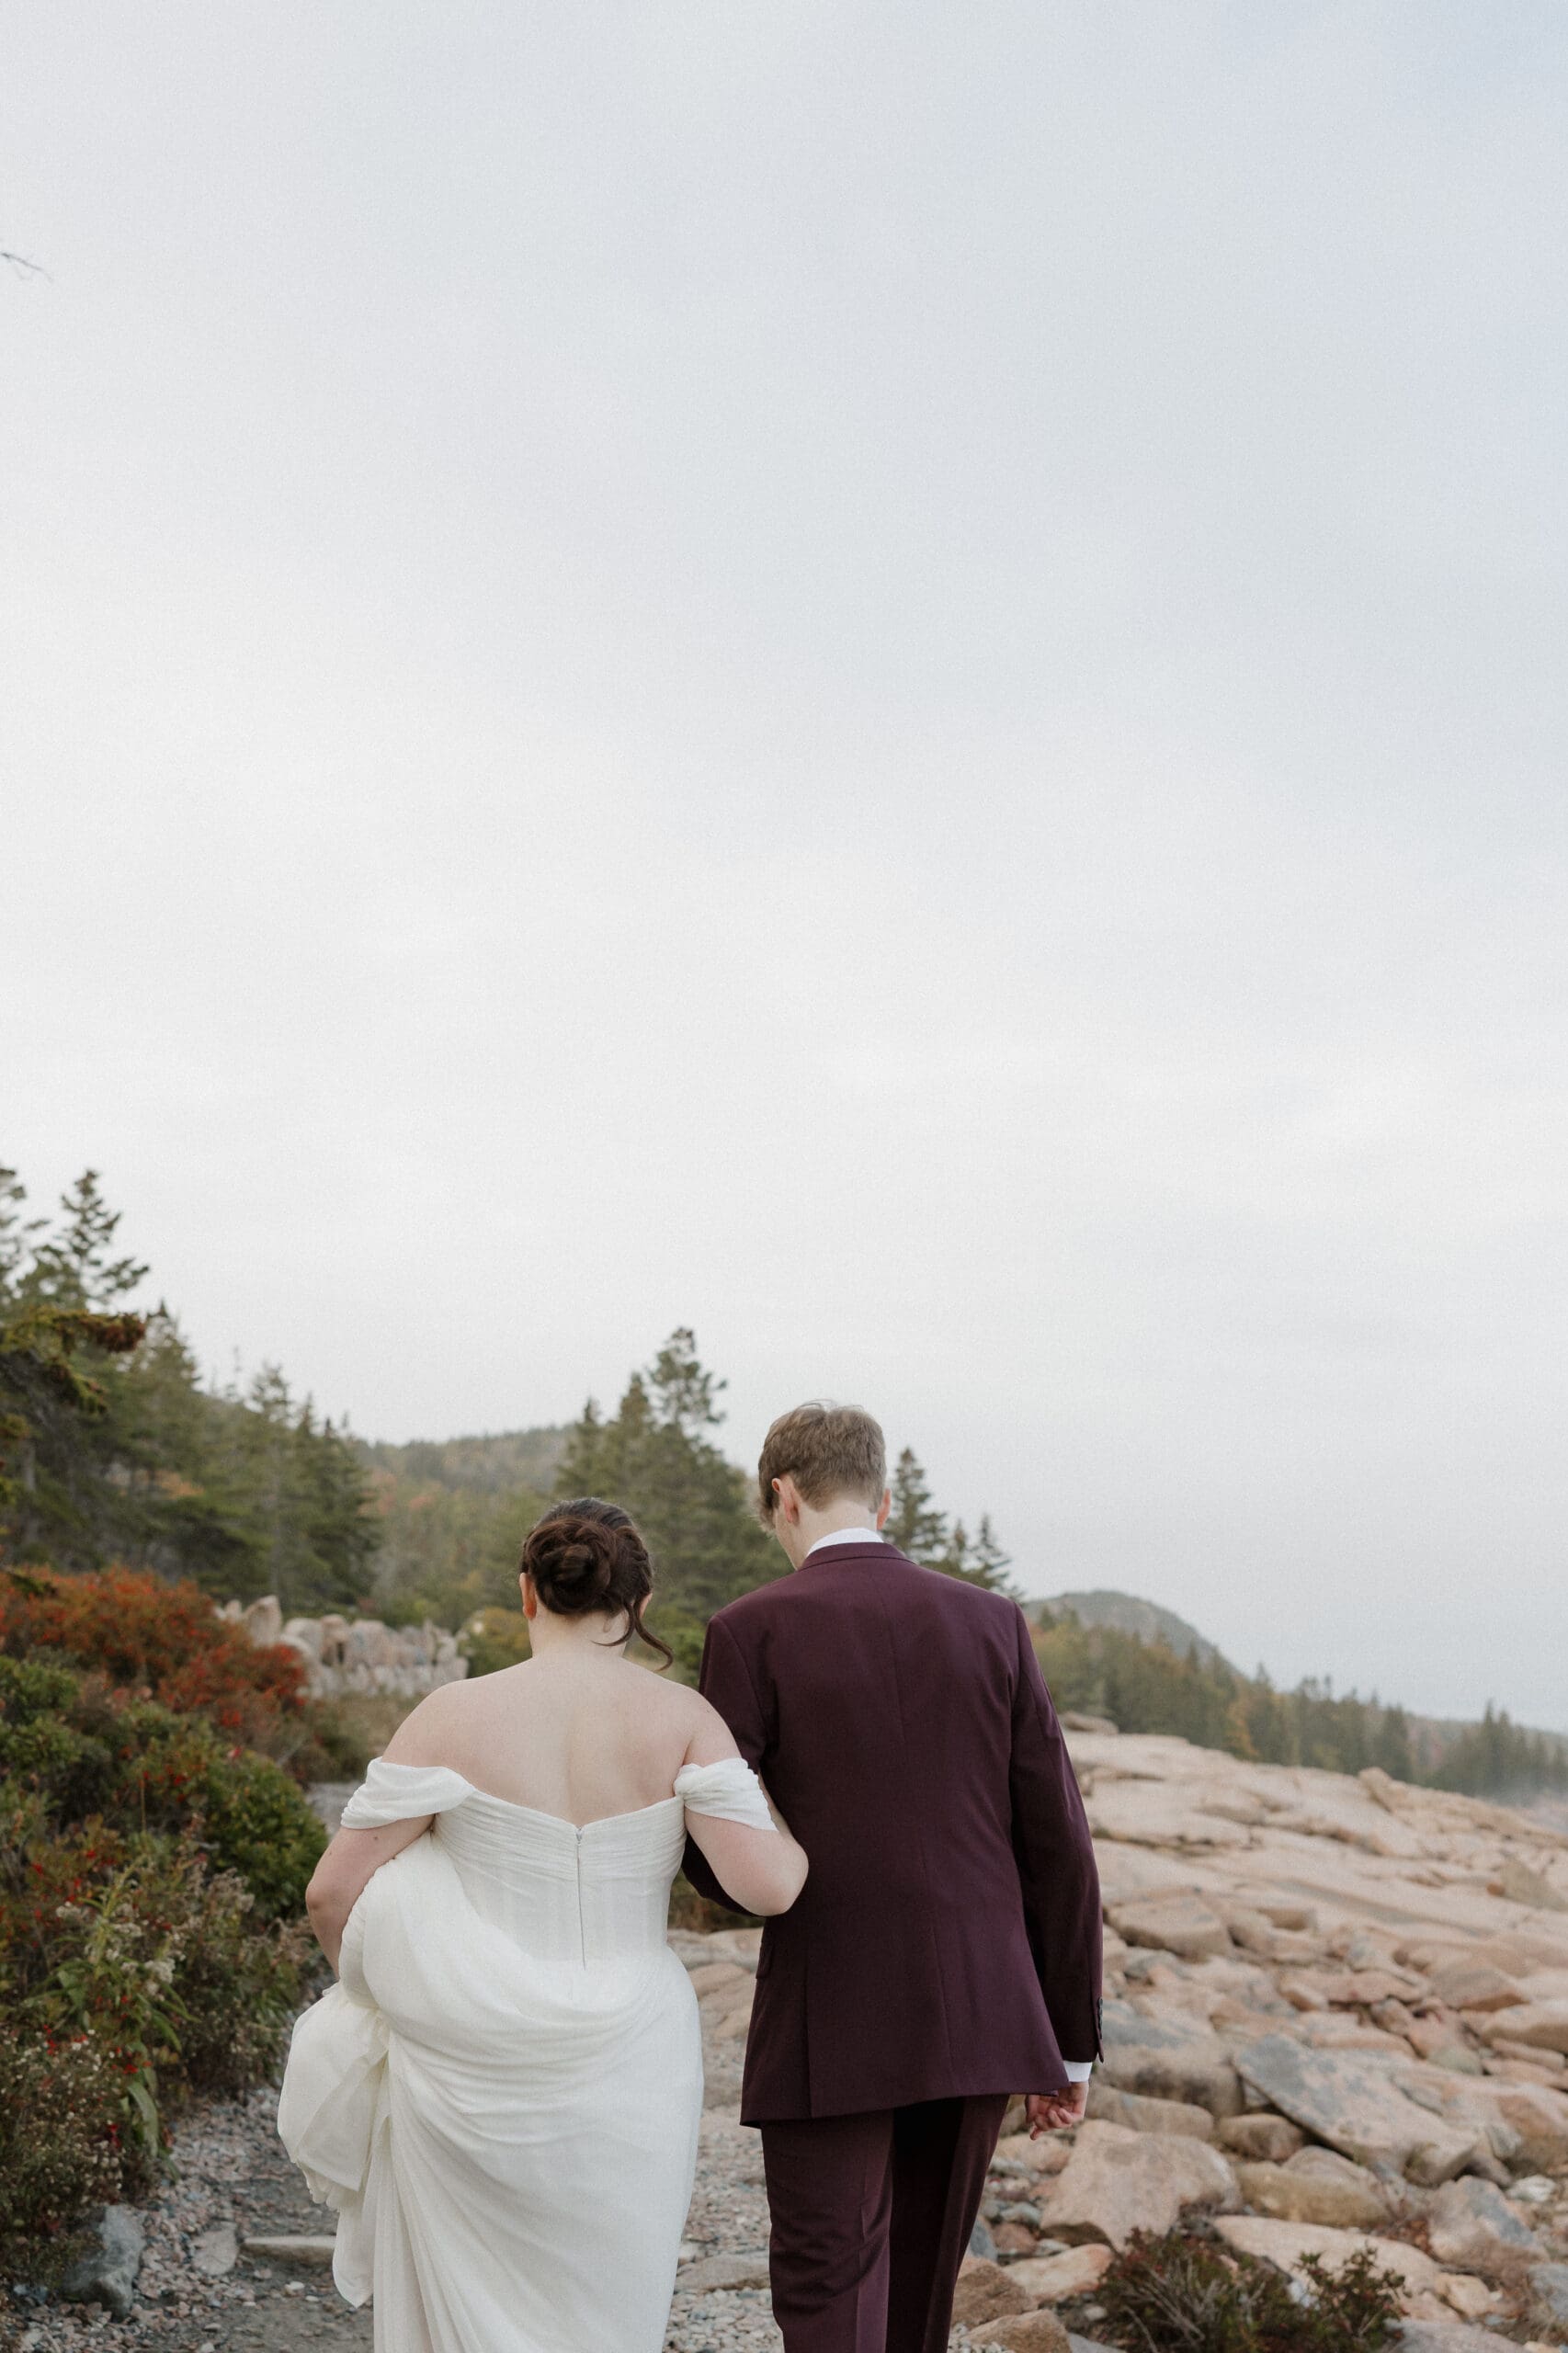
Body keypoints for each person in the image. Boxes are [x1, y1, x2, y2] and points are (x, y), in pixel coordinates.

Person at [278, 1497, 808, 2353]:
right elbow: (769, 1887)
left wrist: (396, 1996)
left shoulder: (450, 1715)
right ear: (639, 1605)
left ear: (528, 1592)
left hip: (466, 2067)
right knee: (610, 2311)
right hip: (635, 2060)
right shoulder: (683, 1719)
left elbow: (330, 1895)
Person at [682, 1402, 1102, 2353]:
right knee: (921, 2293)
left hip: (829, 2005)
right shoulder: (992, 1621)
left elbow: (707, 1832)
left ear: (780, 1496)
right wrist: (1066, 2041)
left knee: (828, 2280)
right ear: (883, 1497)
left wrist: (761, 1885)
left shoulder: (748, 1631)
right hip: (981, 2007)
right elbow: (1058, 1845)